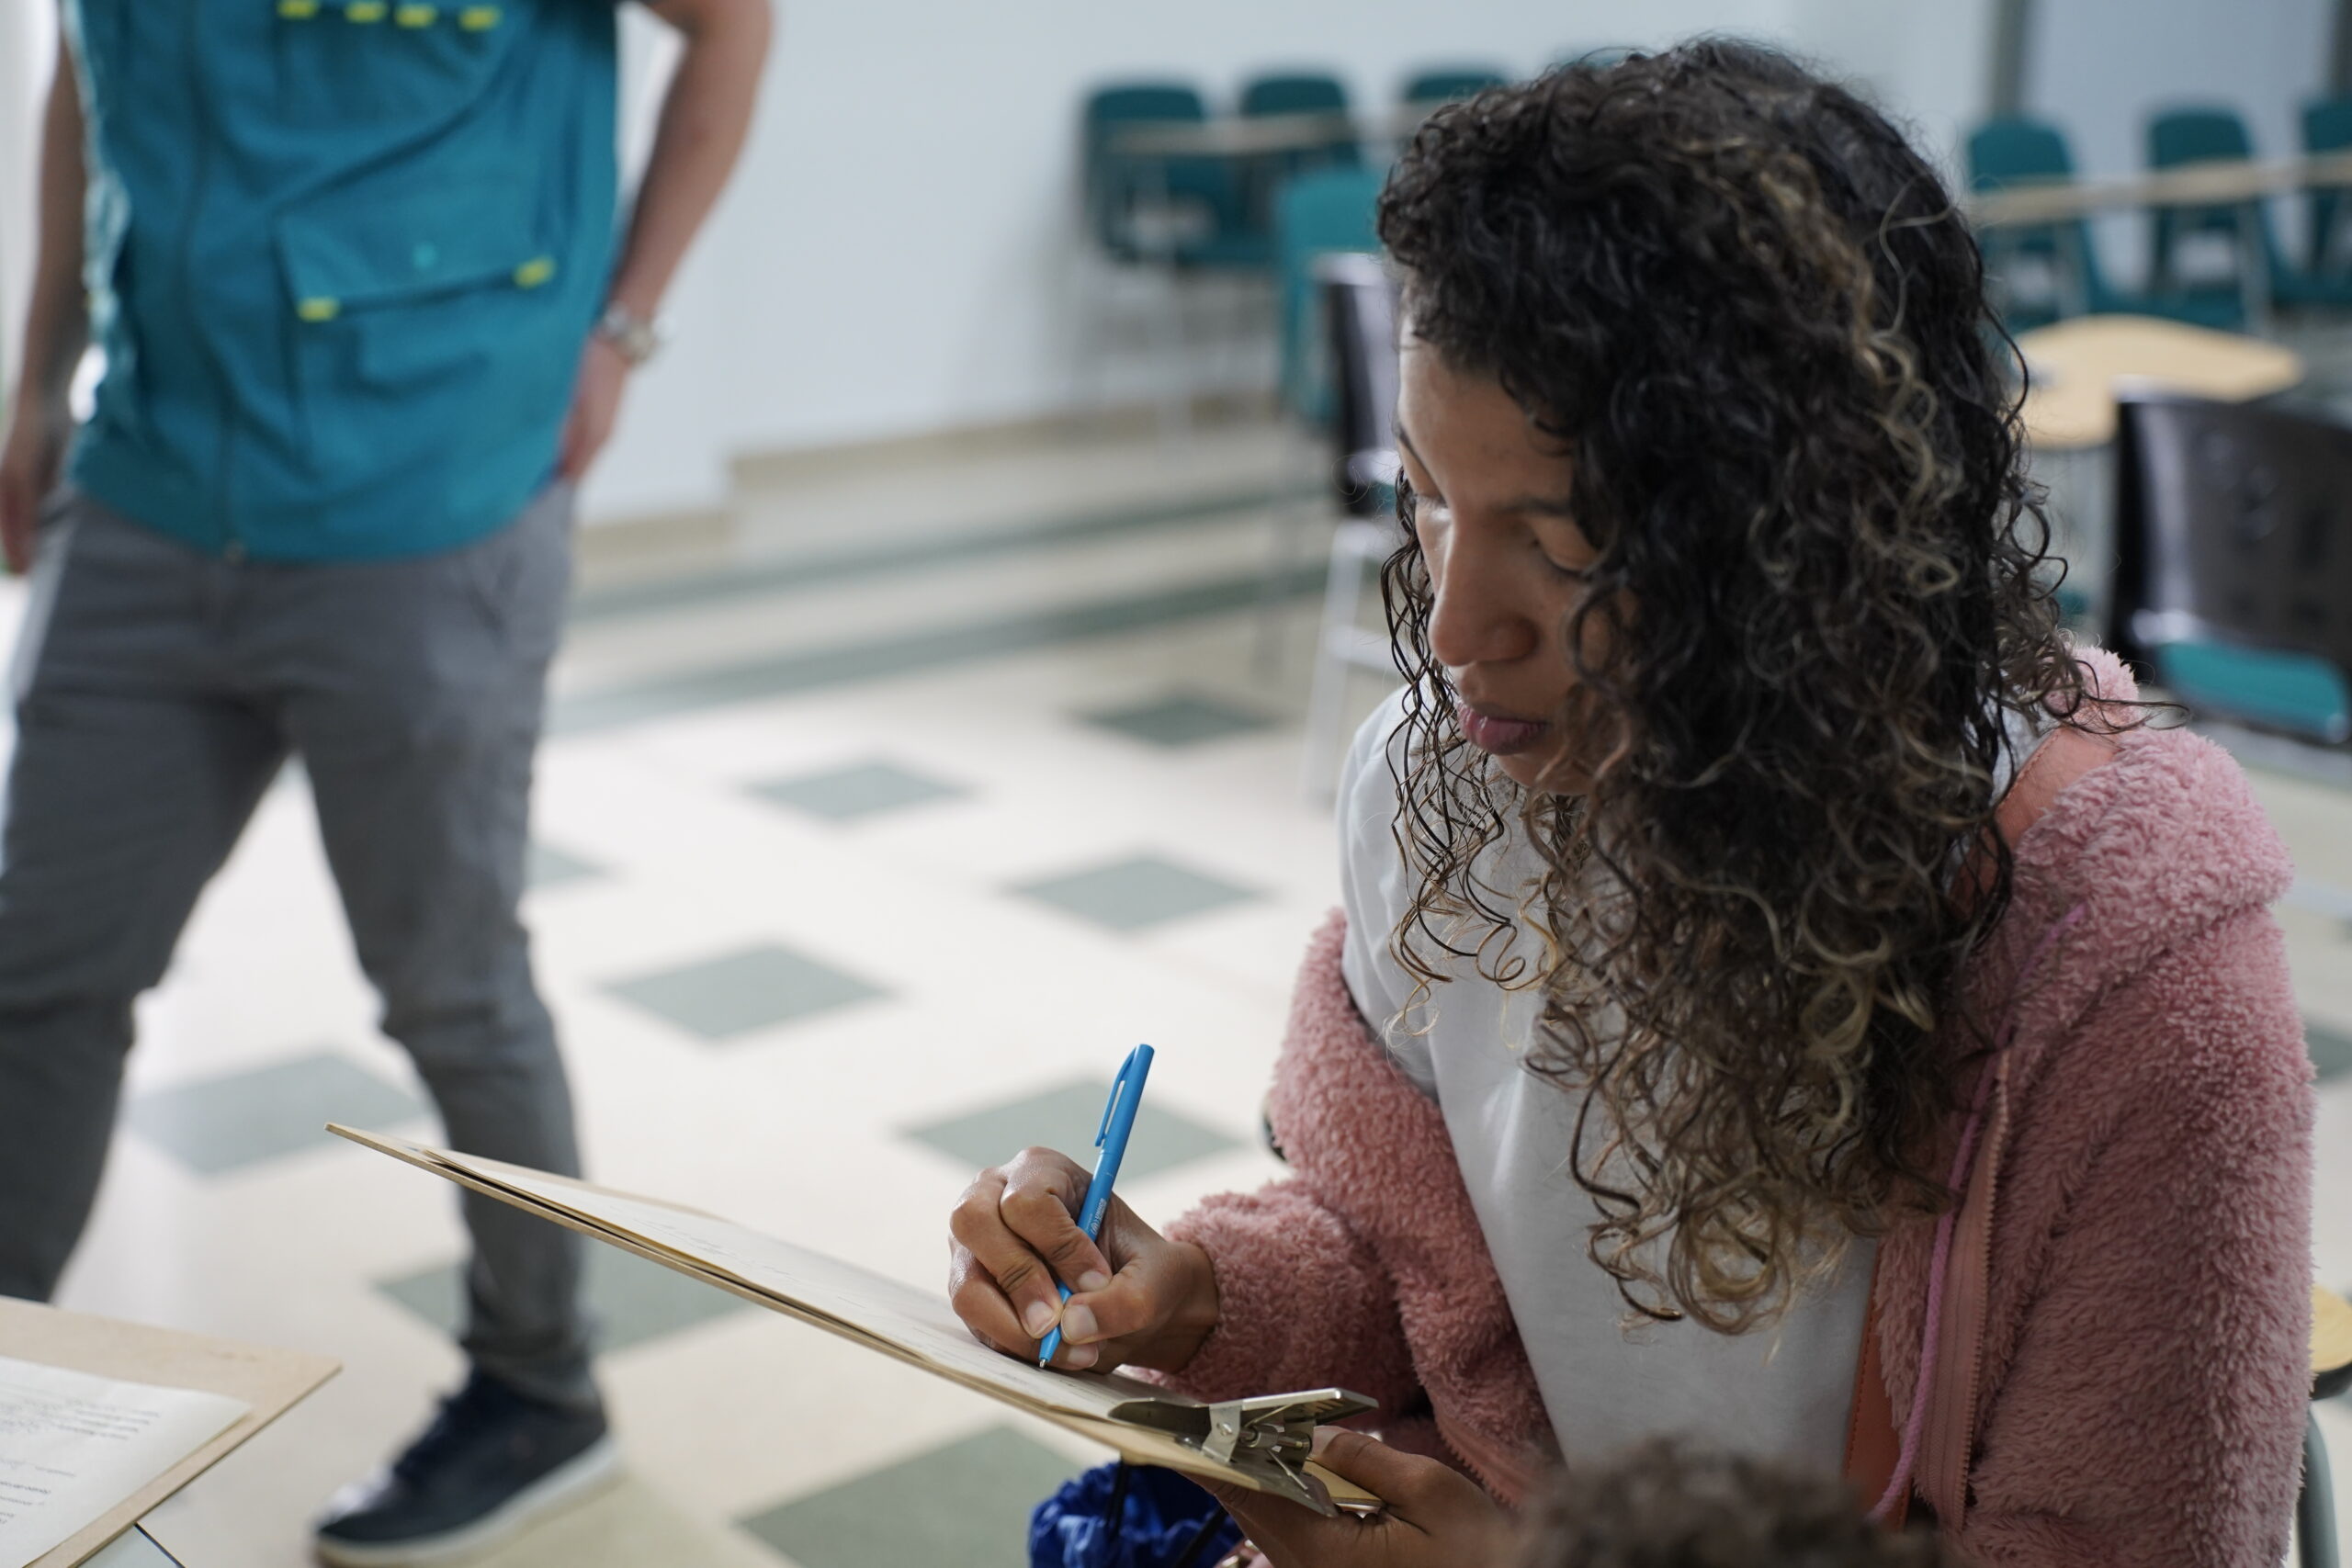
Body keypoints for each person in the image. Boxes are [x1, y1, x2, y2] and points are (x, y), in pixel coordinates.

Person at [948, 41, 2312, 1568]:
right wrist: (1197, 1294)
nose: (1456, 627)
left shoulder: (2126, 981)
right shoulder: (1443, 788)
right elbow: (1415, 1266)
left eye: (1566, 541)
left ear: (1811, 544)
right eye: (1428, 497)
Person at [0, 1, 767, 1561]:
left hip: (431, 493)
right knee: (37, 977)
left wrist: (623, 329)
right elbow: (86, 69)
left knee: (452, 992)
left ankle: (540, 1392)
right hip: (149, 476)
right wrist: (38, 374)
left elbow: (732, 25)